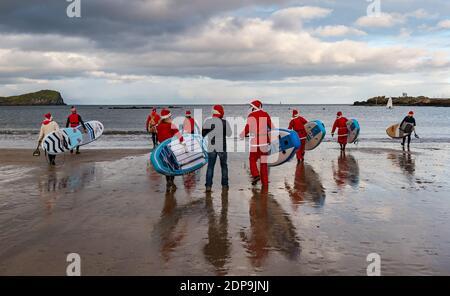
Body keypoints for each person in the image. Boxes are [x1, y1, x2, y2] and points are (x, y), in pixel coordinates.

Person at [240, 99, 274, 187]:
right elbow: (272, 127)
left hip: (255, 144)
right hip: (264, 143)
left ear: (253, 107)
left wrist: (242, 135)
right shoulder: (265, 114)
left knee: (252, 159)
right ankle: (265, 184)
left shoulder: (251, 115)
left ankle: (255, 175)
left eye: (251, 106)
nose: (250, 108)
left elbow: (247, 128)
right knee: (263, 164)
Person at [202, 105, 232, 192]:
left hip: (211, 147)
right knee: (224, 166)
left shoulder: (208, 122)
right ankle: (225, 185)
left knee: (210, 166)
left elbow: (203, 134)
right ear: (221, 112)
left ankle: (208, 186)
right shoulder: (224, 122)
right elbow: (229, 134)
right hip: (222, 146)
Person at [157, 108, 184, 191]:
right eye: (170, 116)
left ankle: (168, 182)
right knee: (173, 165)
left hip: (161, 148)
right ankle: (171, 181)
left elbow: (159, 137)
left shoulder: (159, 126)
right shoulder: (171, 125)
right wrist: (183, 143)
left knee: (166, 165)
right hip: (170, 148)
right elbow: (179, 135)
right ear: (168, 117)